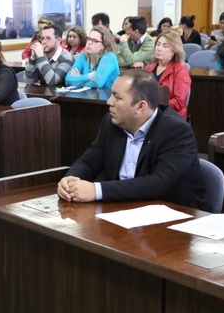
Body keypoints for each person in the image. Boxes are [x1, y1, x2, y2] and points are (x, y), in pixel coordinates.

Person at [57, 70, 207, 209]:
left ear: (141, 107)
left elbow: (158, 183)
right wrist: (71, 179)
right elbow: (89, 160)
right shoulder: (112, 122)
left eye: (117, 97)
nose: (109, 102)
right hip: (124, 209)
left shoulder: (176, 131)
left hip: (173, 215)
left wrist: (96, 190)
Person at [144, 30, 191, 120]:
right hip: (148, 114)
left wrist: (154, 106)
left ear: (174, 50)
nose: (159, 48)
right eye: (158, 44)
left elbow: (179, 102)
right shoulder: (148, 68)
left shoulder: (180, 69)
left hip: (170, 117)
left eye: (165, 46)